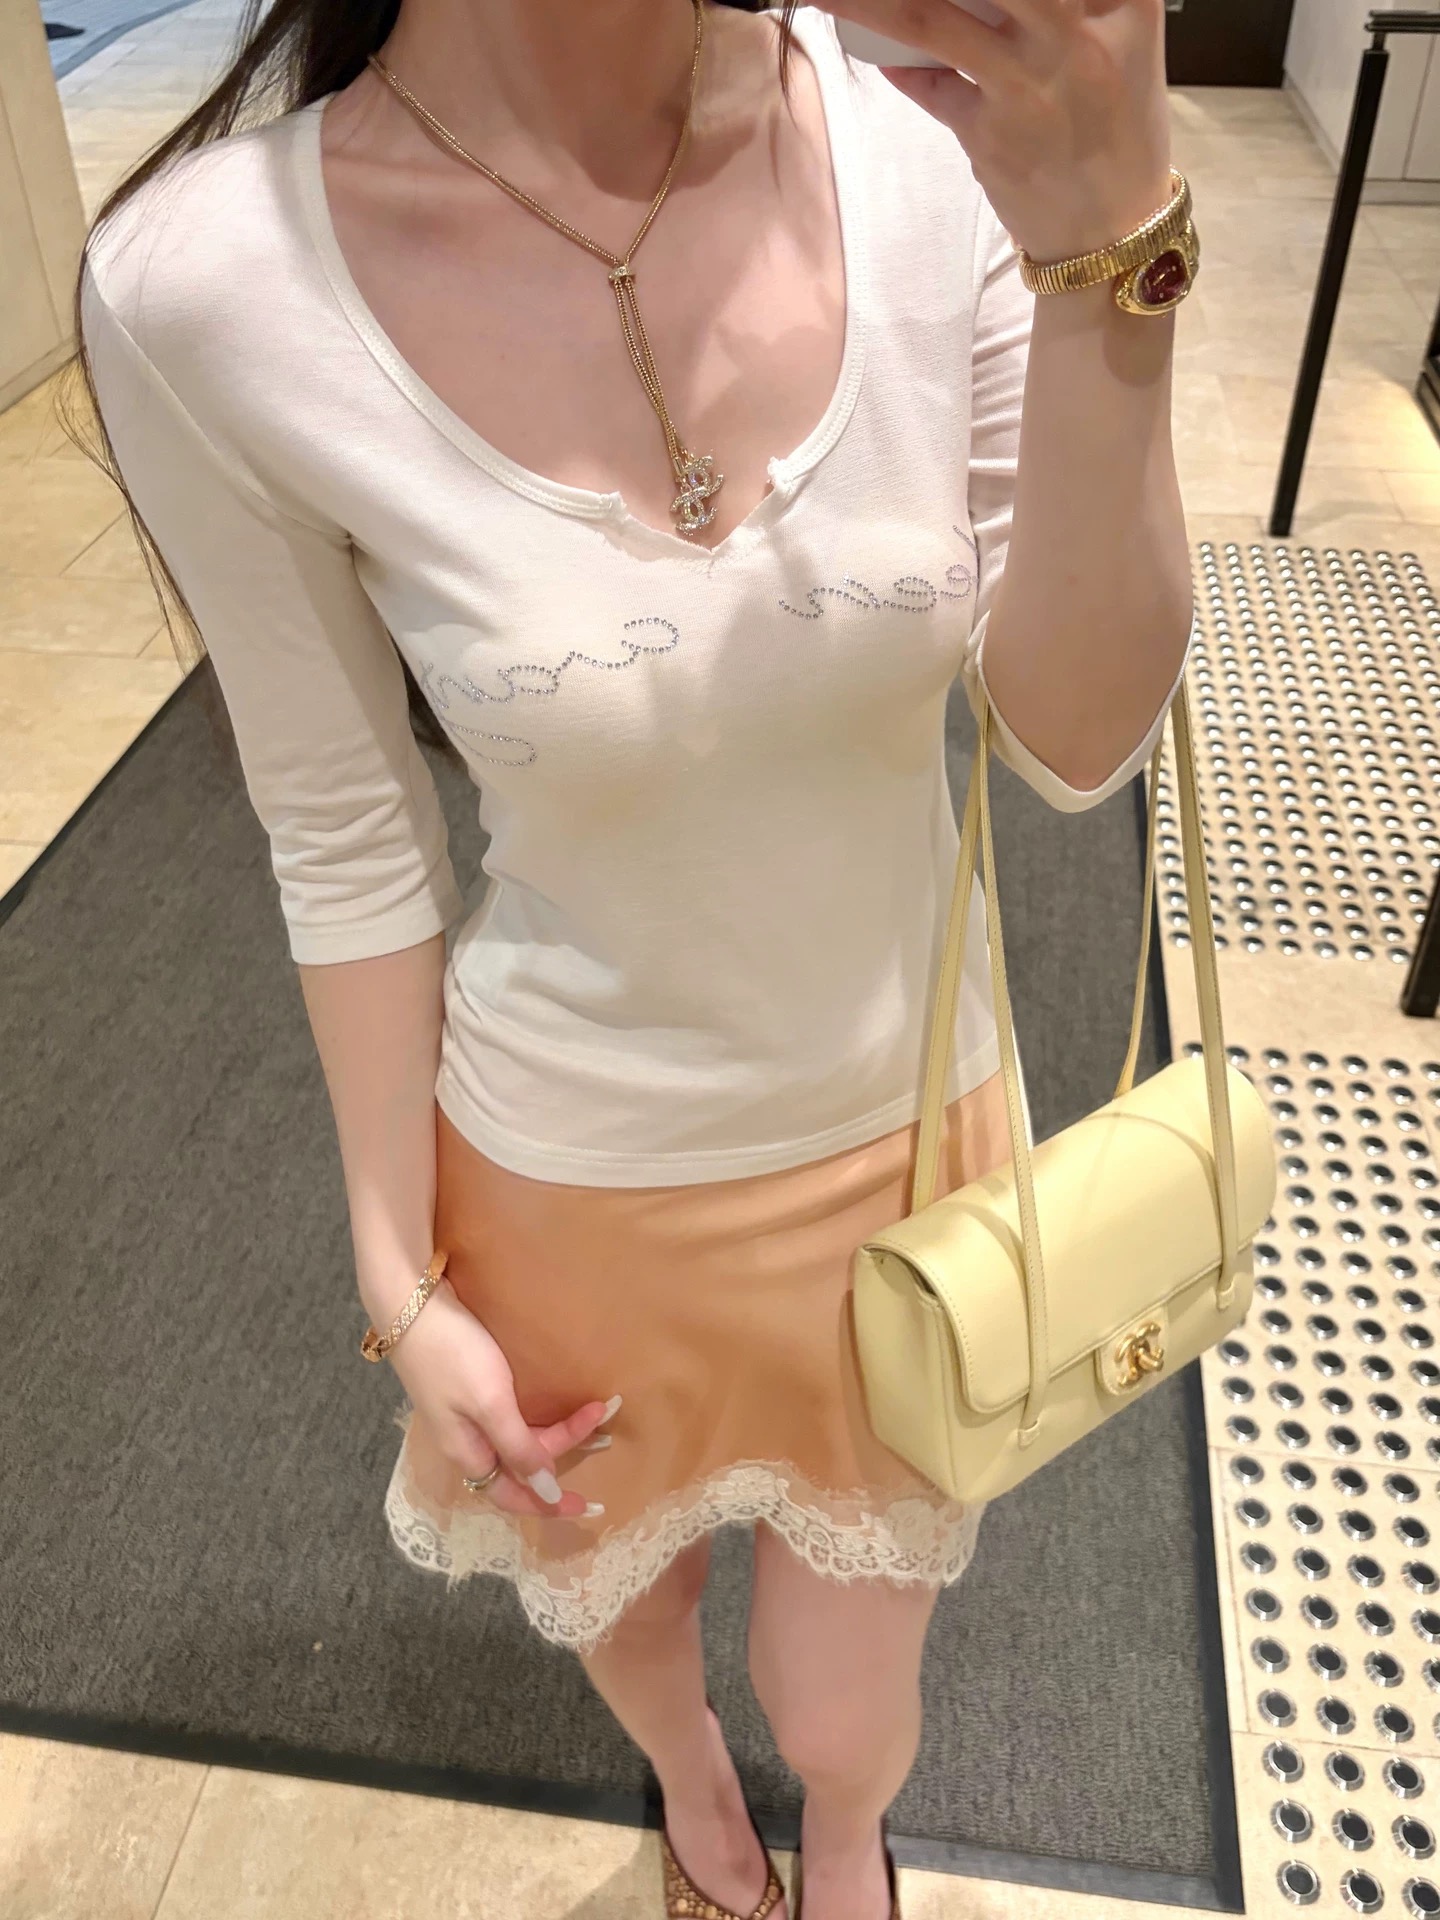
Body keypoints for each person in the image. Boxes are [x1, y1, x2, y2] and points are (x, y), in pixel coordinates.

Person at [76, 1, 1193, 1914]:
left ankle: (848, 1829)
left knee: (847, 1701)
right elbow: (344, 830)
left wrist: (1117, 258)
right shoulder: (209, 290)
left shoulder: (924, 144)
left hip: (909, 1144)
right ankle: (687, 1788)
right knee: (630, 1604)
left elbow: (1078, 743)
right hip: (564, 1178)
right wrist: (396, 1269)